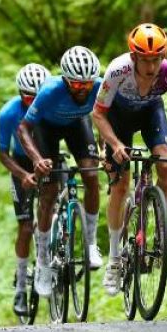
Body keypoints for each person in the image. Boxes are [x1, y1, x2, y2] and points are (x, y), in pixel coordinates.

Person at [92, 23, 167, 297]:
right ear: (134, 56)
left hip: (151, 113)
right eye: (145, 60)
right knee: (120, 185)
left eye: (156, 59)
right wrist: (114, 144)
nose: (151, 67)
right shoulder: (117, 71)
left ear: (163, 57)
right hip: (118, 118)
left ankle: (162, 224)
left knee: (165, 164)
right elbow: (98, 114)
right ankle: (114, 259)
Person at [17, 45, 104, 297]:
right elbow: (23, 129)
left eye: (87, 84)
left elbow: (107, 115)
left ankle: (91, 244)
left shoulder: (100, 86)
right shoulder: (50, 91)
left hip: (78, 125)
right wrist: (37, 160)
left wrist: (106, 147)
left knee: (91, 175)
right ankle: (43, 261)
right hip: (46, 130)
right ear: (65, 80)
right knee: (49, 191)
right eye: (76, 84)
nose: (83, 89)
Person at [0, 63, 51, 315]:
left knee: (52, 209)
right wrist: (23, 175)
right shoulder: (9, 113)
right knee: (26, 226)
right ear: (20, 94)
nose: (33, 103)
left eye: (38, 98)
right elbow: (3, 154)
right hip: (21, 164)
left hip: (48, 158)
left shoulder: (52, 105)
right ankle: (20, 285)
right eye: (29, 98)